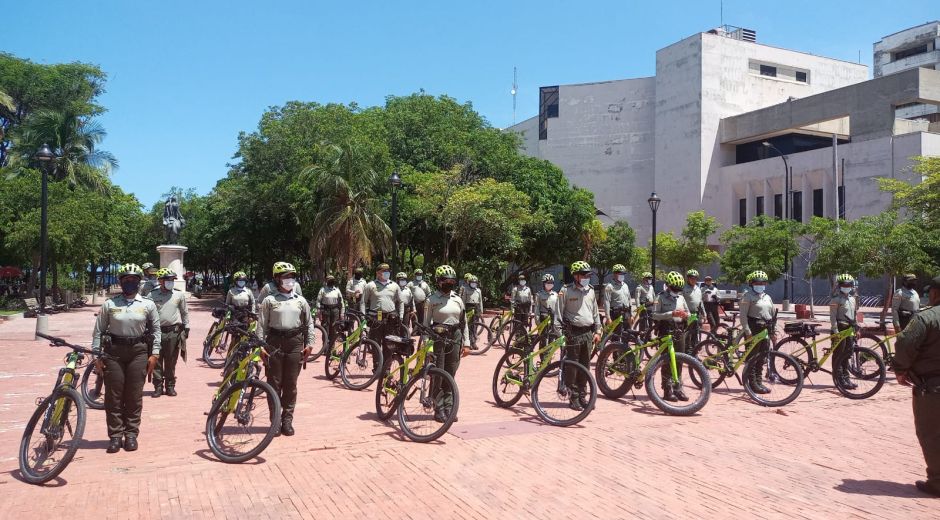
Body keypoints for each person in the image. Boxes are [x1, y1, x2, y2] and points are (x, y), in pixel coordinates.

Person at [91, 263, 161, 453]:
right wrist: (96, 355)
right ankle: (115, 436)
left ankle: (131, 434)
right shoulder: (110, 304)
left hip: (138, 351)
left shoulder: (148, 304)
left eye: (133, 280)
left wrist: (154, 354)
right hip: (114, 352)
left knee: (134, 395)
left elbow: (156, 331)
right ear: (121, 282)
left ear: (139, 282)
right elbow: (98, 331)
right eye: (126, 280)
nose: (130, 282)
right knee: (113, 396)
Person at [893, 276, 940, 498]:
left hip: (932, 388)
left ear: (935, 294)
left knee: (931, 433)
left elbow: (904, 343)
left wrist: (900, 369)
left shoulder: (926, 318)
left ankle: (937, 482)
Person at [257, 261, 316, 436]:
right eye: (285, 277)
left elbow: (309, 324)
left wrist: (310, 344)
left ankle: (287, 421)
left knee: (291, 384)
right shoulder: (269, 300)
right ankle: (274, 421)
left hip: (295, 343)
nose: (289, 280)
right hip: (274, 342)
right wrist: (261, 346)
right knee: (274, 384)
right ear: (277, 279)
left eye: (292, 277)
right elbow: (261, 325)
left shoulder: (300, 300)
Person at [423, 265, 470, 421]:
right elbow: (425, 325)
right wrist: (426, 346)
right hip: (438, 337)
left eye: (451, 281)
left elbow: (464, 323)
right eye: (445, 280)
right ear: (438, 281)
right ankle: (439, 407)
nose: (448, 283)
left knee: (451, 372)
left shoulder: (457, 299)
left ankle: (449, 407)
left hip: (455, 336)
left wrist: (467, 343)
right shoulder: (431, 300)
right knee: (439, 373)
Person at [554, 261, 602, 411]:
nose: (587, 277)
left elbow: (595, 313)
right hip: (572, 334)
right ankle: (573, 397)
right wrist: (560, 335)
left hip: (588, 334)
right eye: (584, 275)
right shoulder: (566, 291)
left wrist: (598, 331)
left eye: (588, 275)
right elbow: (558, 315)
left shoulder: (591, 291)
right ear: (576, 276)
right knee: (572, 367)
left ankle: (583, 395)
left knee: (585, 366)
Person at [147, 268, 189, 398]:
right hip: (156, 332)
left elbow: (184, 312)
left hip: (173, 332)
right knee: (156, 360)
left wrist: (186, 326)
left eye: (172, 280)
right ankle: (158, 387)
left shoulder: (178, 295)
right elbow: (146, 313)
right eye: (168, 280)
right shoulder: (151, 295)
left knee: (171, 361)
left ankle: (170, 386)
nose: (171, 282)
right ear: (160, 281)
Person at [651, 271, 690, 402]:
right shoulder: (660, 297)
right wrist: (671, 313)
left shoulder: (681, 298)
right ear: (668, 286)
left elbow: (688, 313)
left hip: (680, 330)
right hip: (666, 330)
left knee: (679, 359)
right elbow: (654, 315)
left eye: (679, 289)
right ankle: (667, 389)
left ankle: (677, 387)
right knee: (667, 360)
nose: (677, 291)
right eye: (674, 288)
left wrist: (686, 315)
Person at [738, 271, 774, 394]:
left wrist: (773, 332)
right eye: (758, 282)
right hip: (753, 328)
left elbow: (772, 315)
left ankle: (759, 381)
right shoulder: (747, 296)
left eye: (763, 282)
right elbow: (743, 316)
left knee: (762, 356)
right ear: (752, 283)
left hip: (765, 329)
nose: (761, 285)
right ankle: (752, 383)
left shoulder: (767, 297)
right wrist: (747, 331)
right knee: (752, 357)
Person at [361, 263, 403, 344]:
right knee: (375, 342)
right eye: (384, 271)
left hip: (391, 317)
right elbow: (363, 302)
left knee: (390, 344)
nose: (386, 273)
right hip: (376, 317)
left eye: (388, 271)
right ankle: (378, 356)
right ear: (377, 273)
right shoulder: (370, 285)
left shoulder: (394, 285)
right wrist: (363, 318)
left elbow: (401, 301)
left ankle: (387, 357)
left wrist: (401, 315)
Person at [830, 273, 859, 390]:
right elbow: (832, 317)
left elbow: (854, 315)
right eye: (844, 285)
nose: (846, 287)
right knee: (838, 354)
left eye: (848, 285)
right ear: (840, 286)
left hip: (849, 330)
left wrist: (856, 328)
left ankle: (846, 377)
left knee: (847, 354)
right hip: (840, 329)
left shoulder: (853, 299)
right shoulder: (836, 299)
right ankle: (838, 378)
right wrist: (836, 332)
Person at [604, 264, 632, 333]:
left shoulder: (625, 285)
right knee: (616, 335)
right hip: (616, 314)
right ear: (614, 274)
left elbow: (629, 299)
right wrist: (608, 317)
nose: (622, 275)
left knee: (627, 333)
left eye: (623, 273)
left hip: (626, 313)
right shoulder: (609, 286)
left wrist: (631, 315)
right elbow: (606, 302)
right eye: (620, 273)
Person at [316, 274, 345, 342]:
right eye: (329, 281)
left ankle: (331, 348)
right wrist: (319, 312)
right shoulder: (322, 290)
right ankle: (325, 347)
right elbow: (318, 301)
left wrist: (342, 313)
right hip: (326, 311)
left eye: (332, 281)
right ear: (327, 281)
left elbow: (341, 302)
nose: (331, 282)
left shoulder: (337, 290)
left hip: (335, 311)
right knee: (325, 329)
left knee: (334, 329)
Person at [682, 269, 704, 352]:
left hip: (696, 313)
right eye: (691, 278)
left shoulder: (698, 289)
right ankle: (687, 349)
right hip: (688, 314)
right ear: (688, 278)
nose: (693, 280)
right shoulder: (683, 288)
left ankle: (694, 348)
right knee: (687, 332)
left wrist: (704, 313)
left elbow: (701, 302)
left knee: (695, 331)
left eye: (695, 278)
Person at [463, 275, 484, 349]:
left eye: (475, 283)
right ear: (469, 283)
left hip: (476, 308)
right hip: (468, 307)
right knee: (468, 326)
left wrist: (481, 310)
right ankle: (468, 342)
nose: (473, 284)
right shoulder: (466, 289)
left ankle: (474, 342)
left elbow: (480, 301)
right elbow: (463, 300)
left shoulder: (478, 290)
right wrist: (463, 310)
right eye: (472, 282)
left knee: (475, 326)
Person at [408, 269, 431, 333]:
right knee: (414, 317)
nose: (419, 275)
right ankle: (414, 330)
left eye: (420, 274)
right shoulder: (411, 283)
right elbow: (407, 292)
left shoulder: (425, 284)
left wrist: (427, 301)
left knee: (422, 317)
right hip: (413, 303)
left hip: (422, 303)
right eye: (418, 274)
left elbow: (429, 293)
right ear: (415, 275)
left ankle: (420, 331)